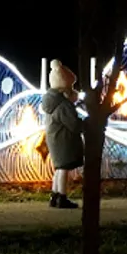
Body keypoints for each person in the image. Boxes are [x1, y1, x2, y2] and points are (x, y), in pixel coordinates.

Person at [41, 59, 84, 209]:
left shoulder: (51, 102)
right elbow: (73, 124)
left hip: (55, 138)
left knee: (59, 168)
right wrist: (84, 124)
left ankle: (55, 196)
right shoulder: (63, 105)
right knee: (64, 168)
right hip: (63, 140)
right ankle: (62, 198)